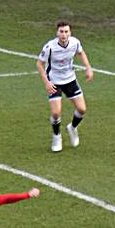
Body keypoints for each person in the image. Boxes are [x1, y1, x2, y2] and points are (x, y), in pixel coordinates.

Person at [36, 21, 93, 152]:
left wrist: (88, 68)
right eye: (61, 31)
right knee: (56, 113)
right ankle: (57, 136)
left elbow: (81, 53)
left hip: (70, 80)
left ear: (70, 33)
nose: (64, 34)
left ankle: (72, 128)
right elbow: (39, 64)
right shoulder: (49, 47)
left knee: (82, 109)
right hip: (54, 81)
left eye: (66, 31)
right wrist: (47, 82)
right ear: (57, 33)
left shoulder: (75, 43)